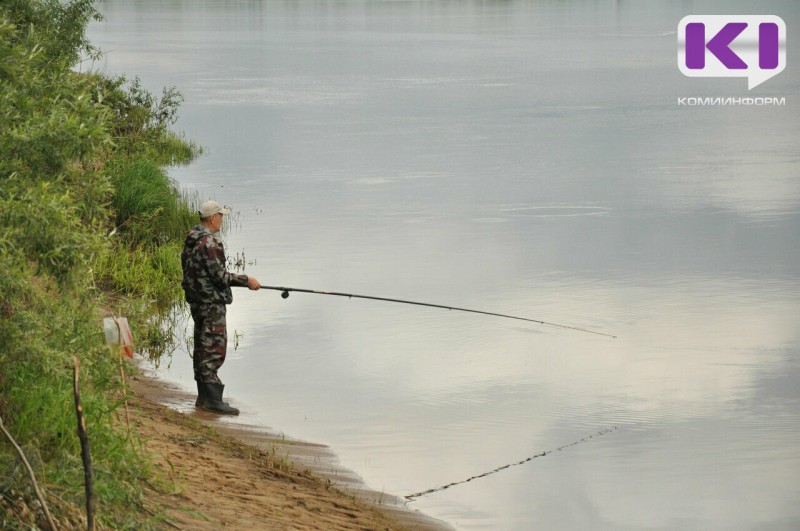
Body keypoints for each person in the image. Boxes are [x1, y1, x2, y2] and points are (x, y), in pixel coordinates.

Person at [181, 200, 260, 415]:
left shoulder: (191, 239)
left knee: (202, 347)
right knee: (213, 350)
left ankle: (203, 397)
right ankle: (212, 401)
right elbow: (220, 276)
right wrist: (246, 280)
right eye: (221, 216)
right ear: (213, 217)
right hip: (211, 304)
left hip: (197, 302)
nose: (222, 220)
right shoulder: (210, 243)